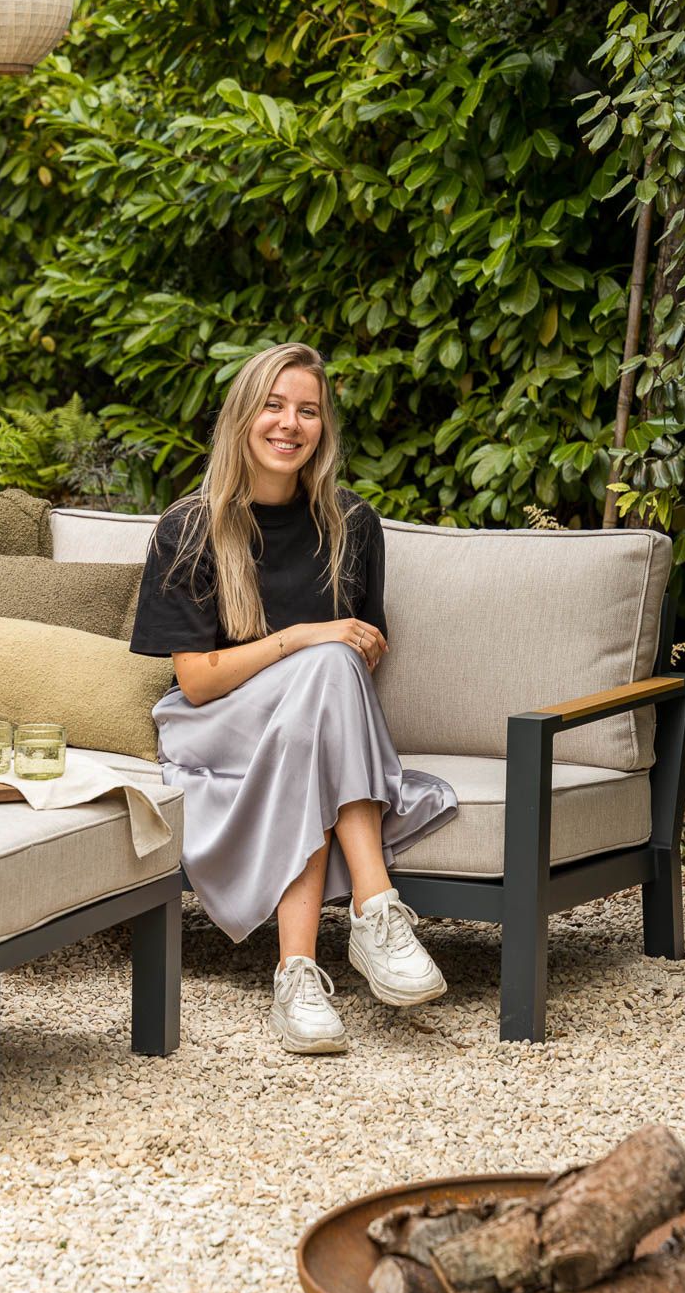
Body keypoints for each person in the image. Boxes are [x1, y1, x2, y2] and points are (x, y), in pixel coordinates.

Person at [129, 342, 458, 1054]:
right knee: (325, 662)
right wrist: (307, 637)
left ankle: (298, 976)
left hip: (301, 729)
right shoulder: (189, 528)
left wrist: (340, 649)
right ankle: (376, 911)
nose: (290, 424)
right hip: (212, 726)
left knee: (318, 706)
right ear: (242, 416)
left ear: (323, 428)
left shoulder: (351, 523)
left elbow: (363, 651)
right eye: (274, 406)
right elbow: (197, 680)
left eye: (308, 410)